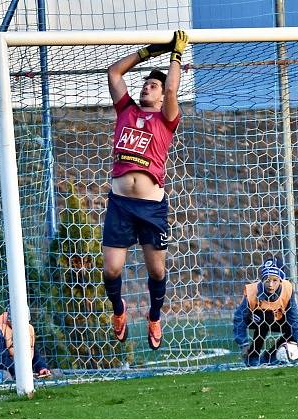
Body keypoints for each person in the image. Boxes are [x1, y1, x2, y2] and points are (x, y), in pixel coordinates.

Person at [102, 30, 188, 350]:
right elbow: (114, 72)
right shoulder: (126, 111)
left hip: (152, 208)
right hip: (121, 204)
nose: (146, 87)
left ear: (163, 92)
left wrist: (175, 55)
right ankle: (119, 310)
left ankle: (154, 316)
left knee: (157, 269)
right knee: (111, 269)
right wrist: (148, 52)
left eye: (154, 85)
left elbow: (172, 90)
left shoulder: (166, 119)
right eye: (145, 84)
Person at [233, 257, 298, 366]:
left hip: (278, 319)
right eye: (267, 280)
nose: (270, 284)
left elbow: (294, 317)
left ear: (281, 280)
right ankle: (252, 356)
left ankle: (270, 357)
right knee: (265, 316)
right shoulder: (252, 292)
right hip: (256, 319)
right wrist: (243, 344)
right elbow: (239, 318)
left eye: (275, 280)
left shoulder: (287, 289)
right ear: (262, 280)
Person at [0, 309, 51, 382]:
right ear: (9, 319)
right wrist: (21, 373)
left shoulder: (29, 328)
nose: (22, 326)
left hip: (25, 371)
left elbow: (33, 351)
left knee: (57, 372)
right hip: (0, 370)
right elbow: (0, 357)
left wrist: (41, 367)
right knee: (5, 376)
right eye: (19, 323)